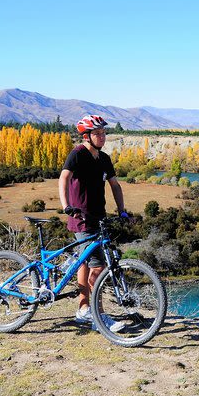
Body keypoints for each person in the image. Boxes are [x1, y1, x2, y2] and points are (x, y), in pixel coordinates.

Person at [59, 114, 128, 332]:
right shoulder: (77, 155)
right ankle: (98, 316)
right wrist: (66, 206)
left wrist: (122, 210)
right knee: (98, 265)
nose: (102, 137)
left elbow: (115, 186)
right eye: (97, 133)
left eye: (104, 133)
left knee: (85, 263)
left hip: (99, 218)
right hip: (81, 219)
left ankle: (84, 309)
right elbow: (64, 178)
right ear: (86, 136)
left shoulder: (104, 159)